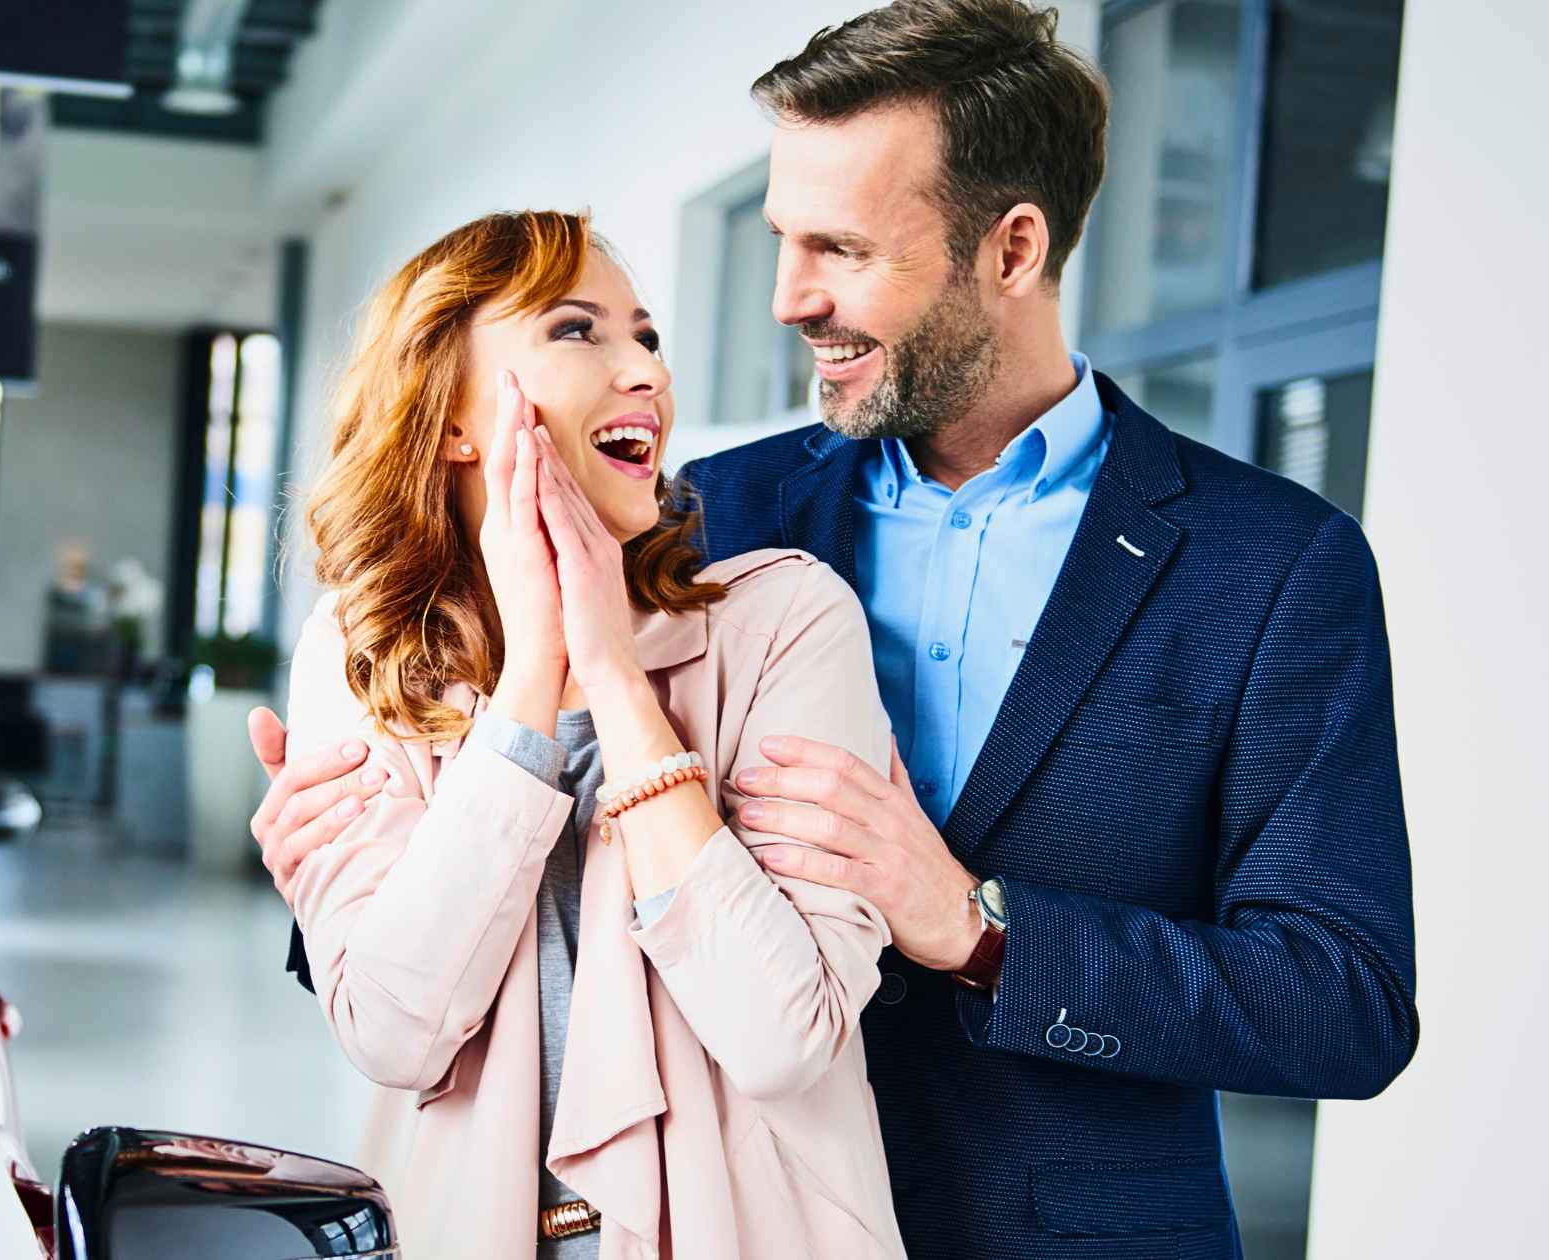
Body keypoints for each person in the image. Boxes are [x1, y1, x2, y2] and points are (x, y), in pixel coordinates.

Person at [250, 3, 1418, 1257]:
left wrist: (981, 934)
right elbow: (505, 897)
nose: (785, 299)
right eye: (778, 239)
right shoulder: (706, 521)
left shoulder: (1271, 566)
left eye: (840, 249)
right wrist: (332, 865)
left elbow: (1342, 1003)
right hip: (722, 1217)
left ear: (1010, 248)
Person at [276, 209, 906, 1258]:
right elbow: (394, 1031)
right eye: (578, 332)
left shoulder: (784, 623)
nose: (642, 373)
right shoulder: (361, 654)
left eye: (647, 337)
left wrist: (611, 674)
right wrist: (531, 681)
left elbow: (782, 1036)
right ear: (448, 419)